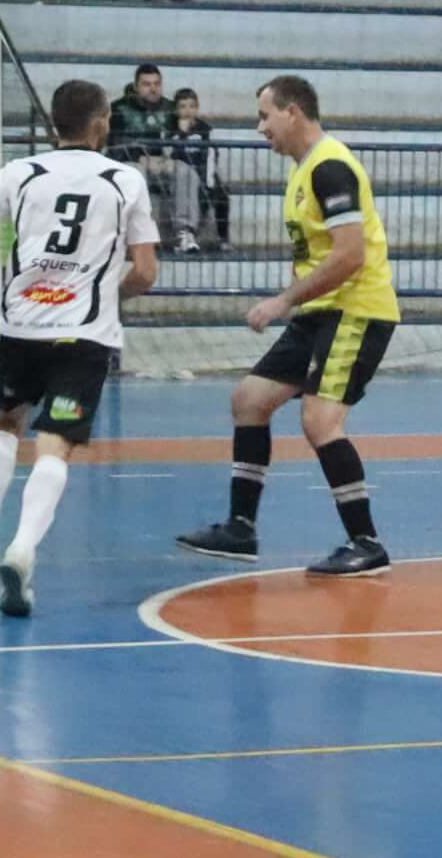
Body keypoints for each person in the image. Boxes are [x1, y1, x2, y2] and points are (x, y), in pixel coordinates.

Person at [0, 79, 159, 619]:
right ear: (101, 123)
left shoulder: (21, 172)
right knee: (55, 446)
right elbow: (145, 271)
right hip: (83, 334)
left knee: (7, 423)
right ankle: (23, 549)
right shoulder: (125, 180)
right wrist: (106, 293)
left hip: (22, 325)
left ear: (55, 124)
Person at [177, 75, 398, 576]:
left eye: (264, 116)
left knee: (321, 421)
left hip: (356, 309)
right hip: (320, 311)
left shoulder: (331, 168)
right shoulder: (303, 171)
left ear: (293, 111)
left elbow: (350, 256)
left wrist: (282, 301)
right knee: (249, 401)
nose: (260, 128)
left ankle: (366, 542)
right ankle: (241, 526)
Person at [106, 61, 202, 253]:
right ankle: (136, 236)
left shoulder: (170, 108)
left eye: (157, 84)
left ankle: (184, 232)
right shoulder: (118, 108)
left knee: (186, 171)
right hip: (130, 162)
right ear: (136, 86)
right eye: (146, 84)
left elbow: (187, 140)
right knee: (136, 172)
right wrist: (141, 157)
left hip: (162, 163)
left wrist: (183, 133)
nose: (153, 89)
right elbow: (113, 144)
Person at [165, 87, 226, 249]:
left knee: (222, 194)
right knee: (188, 187)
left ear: (197, 108)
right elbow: (168, 153)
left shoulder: (205, 129)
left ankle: (223, 237)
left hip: (204, 172)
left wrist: (209, 181)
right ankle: (187, 234)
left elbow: (212, 155)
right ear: (176, 110)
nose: (188, 111)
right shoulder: (171, 129)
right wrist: (182, 133)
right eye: (183, 106)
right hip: (181, 174)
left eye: (192, 106)